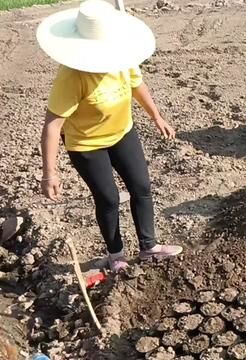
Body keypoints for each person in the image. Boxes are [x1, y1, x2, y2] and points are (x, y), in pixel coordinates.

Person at [37, 0, 182, 272]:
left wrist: (156, 116)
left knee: (141, 187)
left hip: (122, 132)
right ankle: (116, 256)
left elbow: (137, 85)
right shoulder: (72, 77)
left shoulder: (121, 57)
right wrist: (50, 173)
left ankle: (149, 248)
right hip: (86, 144)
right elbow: (53, 125)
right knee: (109, 199)